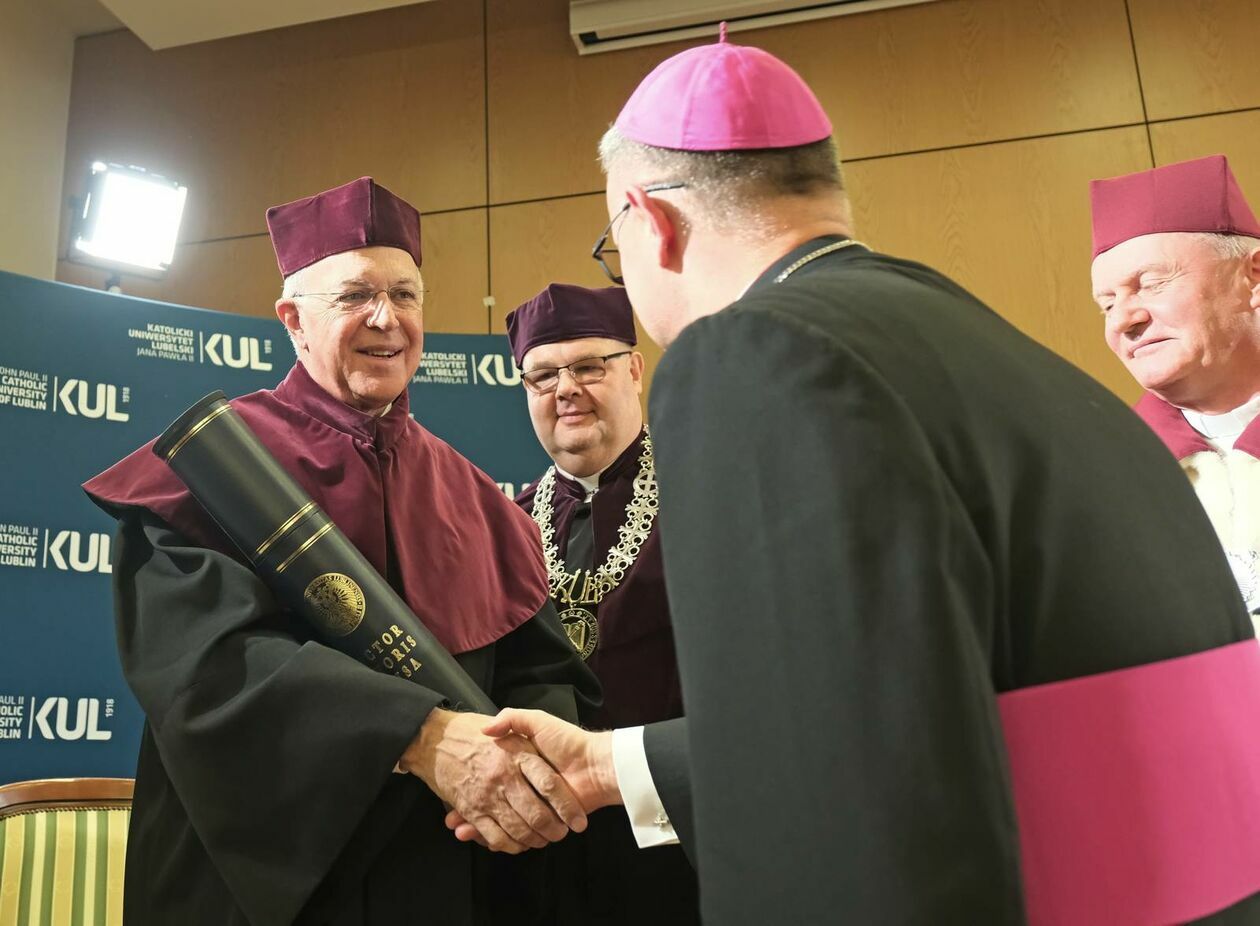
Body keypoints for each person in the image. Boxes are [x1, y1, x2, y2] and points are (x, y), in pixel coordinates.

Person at [457, 31, 1260, 926]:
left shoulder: (754, 354)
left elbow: (832, 795)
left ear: (651, 223)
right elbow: (906, 702)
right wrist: (611, 767)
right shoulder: (1006, 350)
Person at [82, 177, 599, 925]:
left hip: (446, 869)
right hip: (264, 880)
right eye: (356, 295)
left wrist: (521, 771)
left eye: (406, 295)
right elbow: (210, 669)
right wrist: (420, 736)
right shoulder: (208, 470)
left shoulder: (480, 495)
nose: (387, 318)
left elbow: (543, 668)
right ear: (293, 320)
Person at [501, 282, 698, 924]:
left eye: (589, 365)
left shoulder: (707, 488)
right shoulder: (502, 524)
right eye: (543, 375)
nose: (566, 389)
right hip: (549, 855)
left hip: (685, 838)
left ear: (635, 369)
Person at [1090, 155, 1260, 617]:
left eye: (1151, 284)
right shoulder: (1096, 474)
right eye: (1106, 305)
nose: (1125, 320)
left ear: (1254, 276)